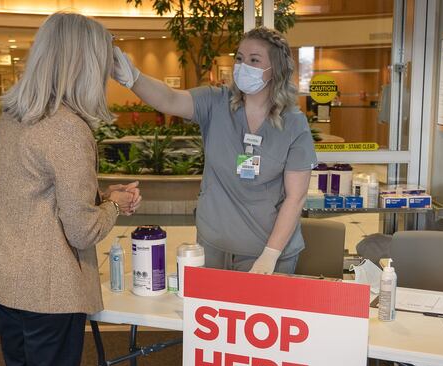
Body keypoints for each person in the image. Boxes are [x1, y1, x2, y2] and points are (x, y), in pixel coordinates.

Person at [0, 12, 140, 366]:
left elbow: (36, 191)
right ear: (83, 64)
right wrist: (115, 204)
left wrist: (99, 196)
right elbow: (82, 230)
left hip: (5, 276)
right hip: (49, 288)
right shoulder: (67, 129)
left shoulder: (15, 115)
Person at [112, 27, 316, 274]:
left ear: (276, 69)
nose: (243, 66)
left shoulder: (293, 123)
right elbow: (170, 99)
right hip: (212, 247)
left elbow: (296, 198)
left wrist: (270, 255)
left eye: (254, 60)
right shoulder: (216, 103)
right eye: (239, 58)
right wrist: (134, 78)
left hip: (266, 251)